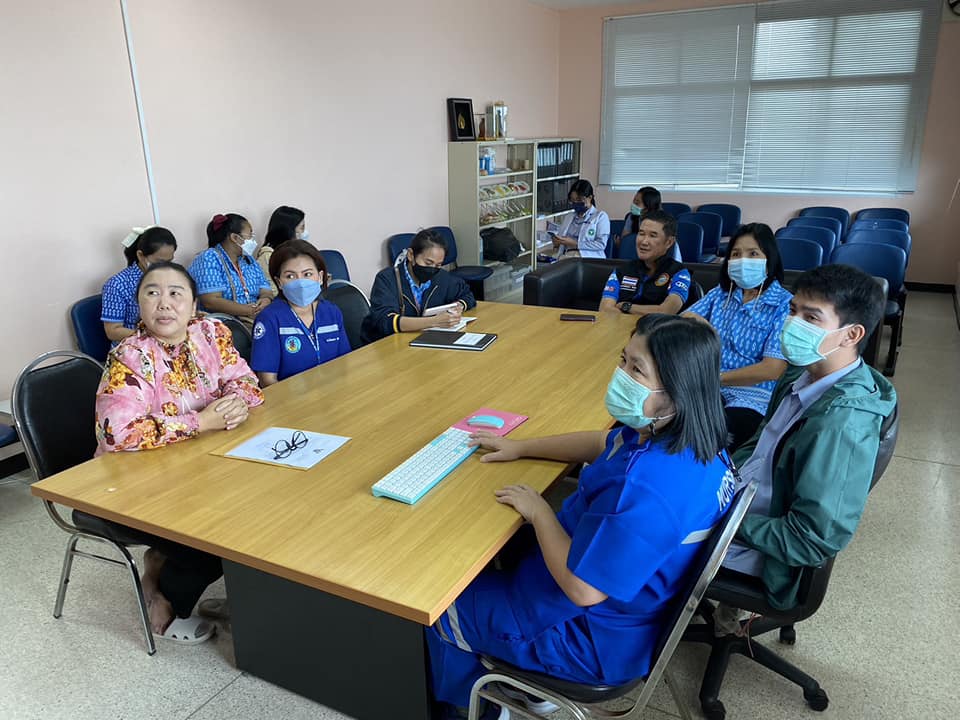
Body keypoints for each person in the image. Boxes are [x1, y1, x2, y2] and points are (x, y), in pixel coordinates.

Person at [426, 315, 737, 719]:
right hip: (622, 605)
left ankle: (484, 710)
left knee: (437, 606)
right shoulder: (689, 439)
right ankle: (530, 688)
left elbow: (583, 590)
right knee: (484, 548)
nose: (621, 375)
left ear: (677, 392)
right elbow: (601, 443)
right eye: (623, 360)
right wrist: (521, 447)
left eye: (637, 370)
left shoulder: (648, 487)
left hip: (584, 636)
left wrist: (540, 511)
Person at [714, 264, 896, 631]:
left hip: (766, 552)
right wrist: (717, 480)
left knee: (638, 526)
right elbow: (761, 445)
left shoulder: (840, 423)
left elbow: (810, 541)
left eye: (811, 317)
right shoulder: (804, 373)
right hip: (747, 506)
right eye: (793, 311)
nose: (792, 324)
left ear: (852, 334)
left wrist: (724, 520)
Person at [95, 260, 264, 644]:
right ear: (139, 305)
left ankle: (247, 593)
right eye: (152, 293)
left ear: (193, 305)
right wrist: (199, 422)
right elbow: (117, 434)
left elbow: (245, 380)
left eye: (176, 293)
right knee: (212, 541)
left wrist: (236, 403)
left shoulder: (211, 333)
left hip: (200, 466)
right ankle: (165, 597)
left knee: (260, 506)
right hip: (134, 480)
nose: (164, 303)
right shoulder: (129, 356)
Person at [684, 224, 792, 450]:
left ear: (769, 259)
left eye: (753, 254)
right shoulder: (722, 293)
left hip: (753, 397)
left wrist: (716, 378)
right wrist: (705, 327)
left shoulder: (784, 304)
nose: (743, 261)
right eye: (735, 254)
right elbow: (685, 319)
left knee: (707, 436)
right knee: (661, 417)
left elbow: (772, 368)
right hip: (705, 387)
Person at [251, 240, 351, 387]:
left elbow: (345, 362)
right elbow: (267, 381)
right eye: (290, 276)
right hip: (291, 398)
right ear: (279, 282)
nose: (300, 282)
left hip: (334, 391)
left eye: (307, 274)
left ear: (320, 277)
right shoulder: (269, 319)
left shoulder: (331, 312)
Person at [361, 228, 476, 343]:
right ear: (411, 255)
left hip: (422, 341)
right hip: (387, 344)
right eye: (428, 263)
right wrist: (434, 321)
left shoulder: (440, 276)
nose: (432, 269)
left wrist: (459, 306)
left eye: (438, 265)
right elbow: (385, 322)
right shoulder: (387, 279)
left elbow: (467, 295)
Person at [599, 209, 691, 316]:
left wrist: (626, 306)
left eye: (653, 236)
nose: (644, 241)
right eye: (641, 234)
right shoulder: (622, 271)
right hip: (620, 326)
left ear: (669, 242)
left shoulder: (679, 273)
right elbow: (605, 309)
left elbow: (666, 311)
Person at [188, 212, 273, 326]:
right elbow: (211, 301)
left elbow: (265, 289)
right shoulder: (209, 258)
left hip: (254, 318)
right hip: (225, 324)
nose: (253, 240)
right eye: (250, 235)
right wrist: (249, 311)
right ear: (235, 238)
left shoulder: (248, 260)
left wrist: (266, 299)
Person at [101, 226, 177, 343]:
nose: (165, 267)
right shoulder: (118, 284)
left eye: (169, 261)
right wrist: (151, 336)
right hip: (135, 346)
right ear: (141, 256)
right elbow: (112, 331)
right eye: (159, 262)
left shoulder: (172, 276)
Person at [551, 179, 610, 259]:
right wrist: (557, 242)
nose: (575, 202)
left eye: (579, 200)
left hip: (588, 259)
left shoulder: (600, 216)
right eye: (573, 200)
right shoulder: (569, 217)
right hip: (567, 256)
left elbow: (601, 244)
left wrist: (576, 244)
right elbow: (561, 240)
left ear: (590, 197)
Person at [257, 205, 308, 294]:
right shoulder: (267, 256)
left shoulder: (297, 251)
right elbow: (272, 291)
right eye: (302, 227)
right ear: (289, 230)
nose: (304, 232)